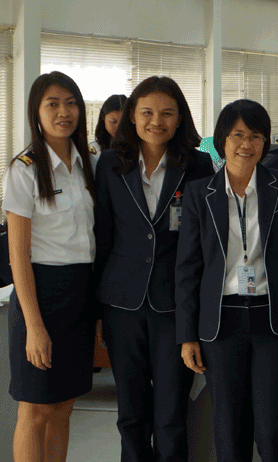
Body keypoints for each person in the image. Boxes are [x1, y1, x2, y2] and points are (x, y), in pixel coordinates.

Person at [175, 99, 278, 462]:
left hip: (273, 319)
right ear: (222, 139)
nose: (246, 144)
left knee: (273, 431)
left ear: (265, 143)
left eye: (255, 136)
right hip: (221, 323)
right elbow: (188, 268)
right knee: (229, 428)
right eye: (237, 135)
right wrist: (187, 333)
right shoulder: (200, 193)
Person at [93, 76, 214, 462]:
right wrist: (97, 308)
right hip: (121, 304)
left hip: (174, 306)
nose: (155, 121)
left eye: (166, 113)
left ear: (180, 118)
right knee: (131, 414)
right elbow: (102, 235)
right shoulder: (111, 162)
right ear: (132, 116)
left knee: (170, 414)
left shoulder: (197, 165)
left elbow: (204, 244)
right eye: (146, 112)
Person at [3, 71, 97, 462]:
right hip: (39, 294)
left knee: (64, 405)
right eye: (53, 104)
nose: (64, 112)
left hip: (80, 293)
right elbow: (17, 255)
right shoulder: (24, 169)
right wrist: (34, 327)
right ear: (36, 112)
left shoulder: (90, 163)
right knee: (35, 408)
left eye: (71, 103)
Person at [89, 94, 127, 163]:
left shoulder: (138, 148)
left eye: (123, 123)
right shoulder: (94, 149)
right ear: (103, 117)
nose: (118, 127)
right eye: (113, 121)